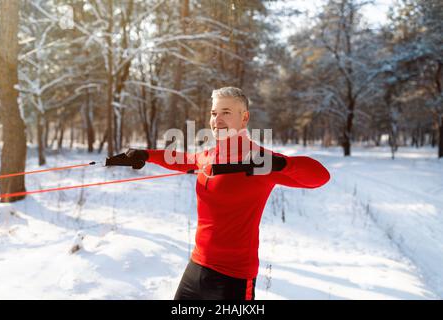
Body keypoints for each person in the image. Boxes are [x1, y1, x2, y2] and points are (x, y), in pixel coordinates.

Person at [110, 87, 330, 300]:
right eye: (214, 113)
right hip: (196, 267)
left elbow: (320, 177)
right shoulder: (208, 156)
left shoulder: (260, 160)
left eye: (226, 112)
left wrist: (281, 164)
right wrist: (145, 154)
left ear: (244, 118)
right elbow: (181, 159)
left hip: (233, 277)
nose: (217, 120)